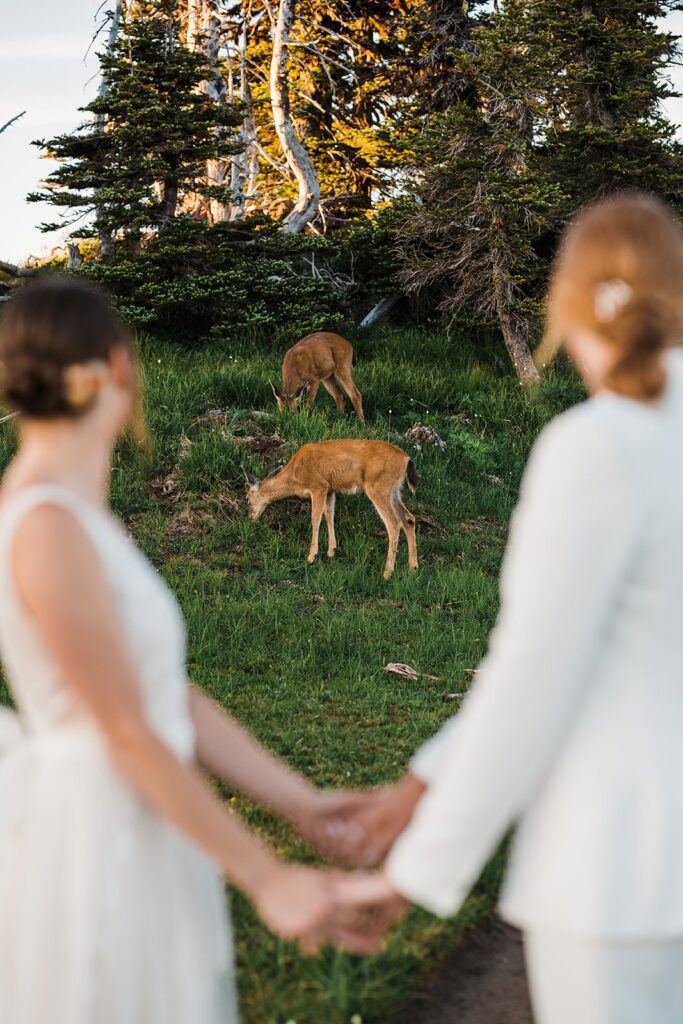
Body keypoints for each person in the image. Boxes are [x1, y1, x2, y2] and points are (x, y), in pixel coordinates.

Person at [332, 193, 683, 1024]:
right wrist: (424, 779)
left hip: (624, 861)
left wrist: (415, 866)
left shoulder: (598, 446)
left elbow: (536, 675)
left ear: (566, 305)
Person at [0, 277, 372, 1024]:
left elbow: (167, 693)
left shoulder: (74, 512)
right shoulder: (45, 523)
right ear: (118, 370)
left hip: (145, 820)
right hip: (100, 831)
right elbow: (126, 728)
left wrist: (303, 804)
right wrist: (266, 878)